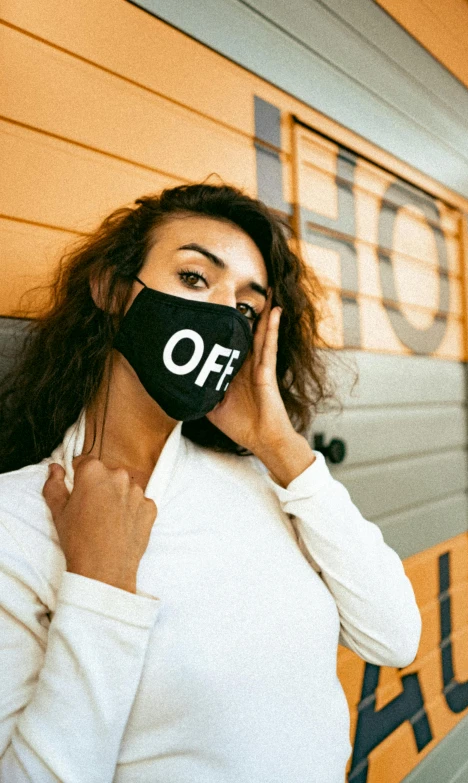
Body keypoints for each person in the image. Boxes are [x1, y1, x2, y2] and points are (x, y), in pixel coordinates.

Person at [0, 182, 421, 782]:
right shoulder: (17, 520)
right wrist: (100, 587)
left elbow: (395, 637)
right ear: (115, 290)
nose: (225, 315)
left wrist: (282, 449)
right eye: (195, 278)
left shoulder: (260, 481)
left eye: (247, 306)